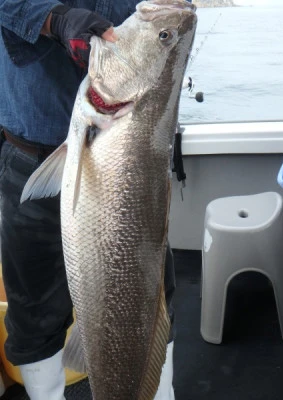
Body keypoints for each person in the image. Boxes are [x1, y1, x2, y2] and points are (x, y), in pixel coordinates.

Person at [0, 1, 184, 399]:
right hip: (31, 147)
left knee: (150, 296)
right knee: (33, 310)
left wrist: (162, 33)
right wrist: (55, 18)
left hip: (137, 158)